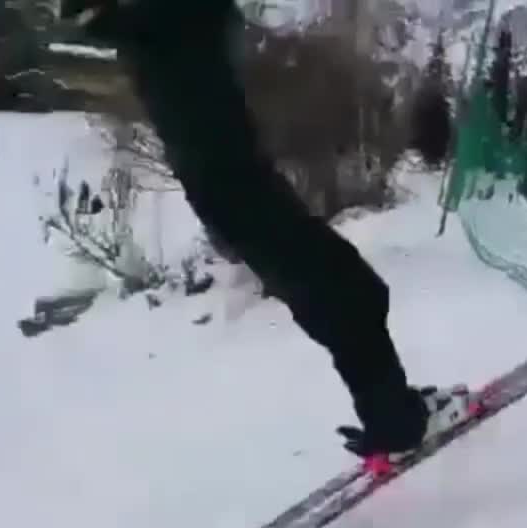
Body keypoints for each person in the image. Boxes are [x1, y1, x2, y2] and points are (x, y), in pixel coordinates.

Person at [59, 0, 469, 459]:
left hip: (231, 189)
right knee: (349, 293)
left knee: (339, 293)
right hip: (237, 190)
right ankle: (396, 424)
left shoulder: (152, 30)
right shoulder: (166, 23)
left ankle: (392, 411)